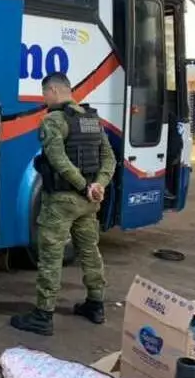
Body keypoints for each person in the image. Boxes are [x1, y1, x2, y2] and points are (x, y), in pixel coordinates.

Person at [9, 72, 116, 337]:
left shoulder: (53, 121)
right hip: (88, 203)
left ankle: (43, 315)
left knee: (50, 257)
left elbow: (57, 160)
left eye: (44, 93)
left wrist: (83, 185)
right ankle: (96, 305)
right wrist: (98, 185)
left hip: (61, 202)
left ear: (54, 91)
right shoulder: (92, 119)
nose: (44, 98)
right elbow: (109, 158)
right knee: (89, 251)